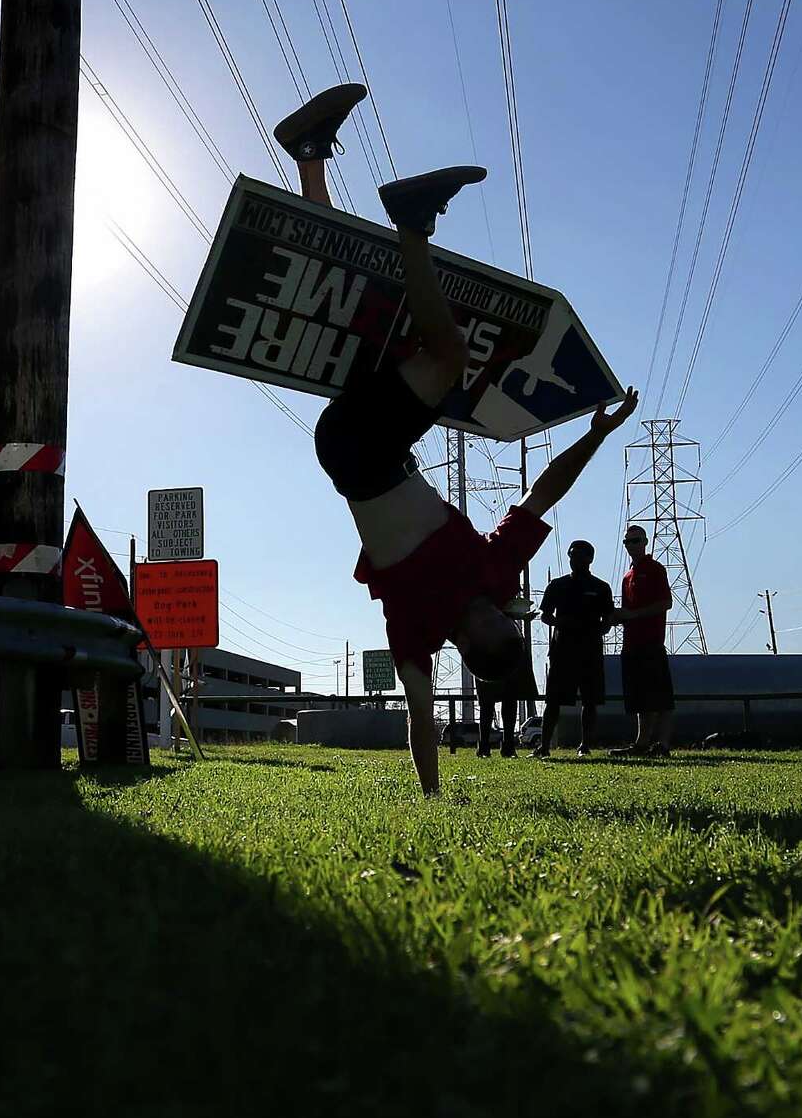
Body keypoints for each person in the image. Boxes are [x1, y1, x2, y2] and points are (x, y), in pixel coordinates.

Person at [274, 83, 639, 796]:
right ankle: (310, 156)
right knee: (361, 308)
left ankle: (413, 222)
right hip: (375, 447)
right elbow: (542, 494)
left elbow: (420, 719)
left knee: (445, 361)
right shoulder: (498, 576)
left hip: (357, 457)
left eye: (491, 628)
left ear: (469, 647)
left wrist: (433, 796)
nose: (494, 613)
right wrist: (595, 434)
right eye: (505, 620)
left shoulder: (416, 630)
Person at [536, 540, 615, 758]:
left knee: (590, 700)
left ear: (590, 559)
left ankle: (585, 745)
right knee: (553, 700)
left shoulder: (600, 587)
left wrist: (598, 629)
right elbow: (545, 615)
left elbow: (609, 618)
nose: (574, 560)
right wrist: (560, 623)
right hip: (562, 650)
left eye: (579, 556)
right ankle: (543, 746)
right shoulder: (557, 585)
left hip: (589, 650)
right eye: (572, 556)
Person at [609, 523, 674, 759]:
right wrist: (616, 617)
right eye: (628, 541)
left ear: (645, 543)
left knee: (661, 696)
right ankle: (642, 742)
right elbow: (627, 610)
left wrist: (633, 615)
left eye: (636, 541)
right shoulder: (628, 576)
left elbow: (666, 603)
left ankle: (663, 744)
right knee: (639, 698)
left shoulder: (655, 569)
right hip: (631, 643)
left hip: (652, 642)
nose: (631, 546)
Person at [476, 630, 538, 757]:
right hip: (501, 640)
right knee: (500, 699)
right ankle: (500, 746)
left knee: (500, 699)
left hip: (494, 640)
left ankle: (488, 746)